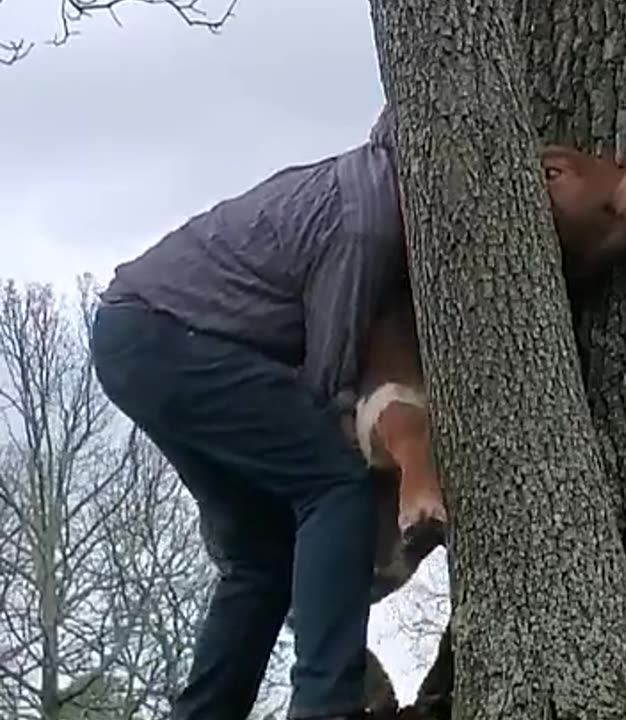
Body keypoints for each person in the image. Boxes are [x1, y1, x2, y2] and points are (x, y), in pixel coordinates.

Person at [89, 104, 408, 720]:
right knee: (332, 483)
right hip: (166, 336)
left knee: (263, 551)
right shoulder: (369, 215)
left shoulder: (352, 179)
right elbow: (328, 378)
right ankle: (327, 703)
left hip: (132, 336)